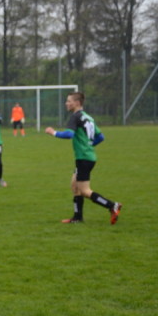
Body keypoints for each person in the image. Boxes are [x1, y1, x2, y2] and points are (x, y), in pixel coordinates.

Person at [45, 92, 122, 224]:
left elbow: (69, 134)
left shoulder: (75, 117)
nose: (66, 103)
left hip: (84, 158)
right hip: (87, 157)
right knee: (75, 186)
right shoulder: (88, 117)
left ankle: (112, 206)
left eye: (69, 101)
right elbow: (100, 137)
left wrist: (54, 132)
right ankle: (77, 217)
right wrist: (89, 145)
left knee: (85, 191)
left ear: (77, 103)